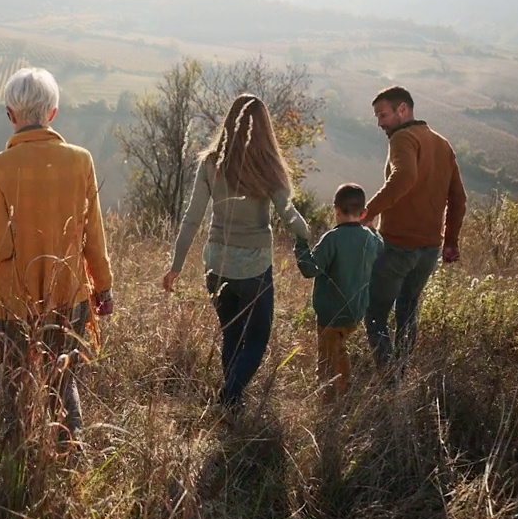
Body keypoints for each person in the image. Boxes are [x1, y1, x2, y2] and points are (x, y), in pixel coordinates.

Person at [0, 67, 114, 446]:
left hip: (12, 304)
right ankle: (69, 456)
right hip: (71, 296)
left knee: (12, 382)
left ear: (10, 115)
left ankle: (8, 460)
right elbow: (92, 235)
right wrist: (104, 288)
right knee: (62, 382)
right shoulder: (82, 160)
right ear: (53, 113)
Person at [164, 93, 312, 410]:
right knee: (257, 338)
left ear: (229, 122)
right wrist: (308, 235)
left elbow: (192, 218)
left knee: (231, 333)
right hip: (255, 267)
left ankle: (231, 403)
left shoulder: (210, 163)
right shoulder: (270, 166)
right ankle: (231, 395)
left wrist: (175, 265)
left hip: (215, 264)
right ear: (265, 128)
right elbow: (289, 215)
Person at [362, 85, 466, 372]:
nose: (380, 123)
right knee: (407, 312)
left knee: (374, 313)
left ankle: (388, 377)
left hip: (398, 246)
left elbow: (405, 176)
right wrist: (451, 242)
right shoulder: (442, 144)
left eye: (383, 115)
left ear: (403, 110)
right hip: (429, 250)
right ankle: (402, 371)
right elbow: (458, 199)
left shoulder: (402, 138)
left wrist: (367, 213)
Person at [294, 183, 383, 401]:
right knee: (340, 349)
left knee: (326, 359)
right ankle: (345, 390)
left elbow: (309, 269)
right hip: (355, 312)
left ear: (335, 209)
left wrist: (300, 243)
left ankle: (328, 401)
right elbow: (381, 247)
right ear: (363, 213)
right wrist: (372, 228)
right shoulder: (371, 239)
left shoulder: (332, 238)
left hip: (330, 313)